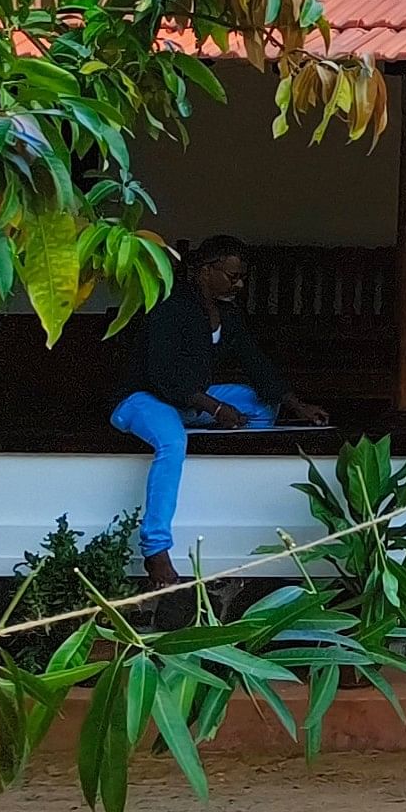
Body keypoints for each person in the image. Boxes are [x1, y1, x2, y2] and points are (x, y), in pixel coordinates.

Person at [111, 235, 326, 581]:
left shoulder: (227, 314)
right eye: (231, 276)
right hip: (144, 397)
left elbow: (254, 361)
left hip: (192, 399)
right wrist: (214, 407)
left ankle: (202, 441)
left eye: (241, 277)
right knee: (172, 442)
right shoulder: (170, 306)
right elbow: (162, 374)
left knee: (261, 405)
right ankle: (156, 550)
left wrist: (295, 404)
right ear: (203, 271)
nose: (238, 284)